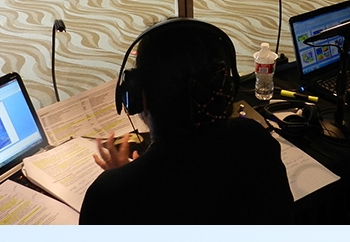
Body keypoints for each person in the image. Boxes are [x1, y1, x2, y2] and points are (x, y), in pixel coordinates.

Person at [79, 19, 294, 224]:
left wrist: (126, 180)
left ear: (138, 96)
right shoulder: (254, 139)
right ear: (226, 86)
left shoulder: (108, 195)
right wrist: (130, 179)